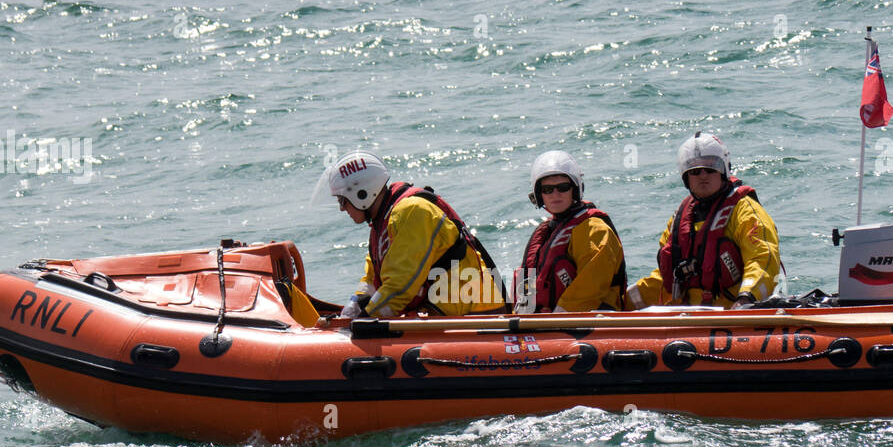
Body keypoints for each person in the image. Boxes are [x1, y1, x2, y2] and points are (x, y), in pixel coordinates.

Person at [329, 151, 506, 318]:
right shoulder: (383, 222)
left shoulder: (411, 212)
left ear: (362, 193)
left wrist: (364, 320)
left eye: (343, 200)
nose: (341, 208)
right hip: (445, 312)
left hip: (476, 315)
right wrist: (356, 303)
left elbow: (399, 288)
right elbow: (372, 279)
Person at [626, 132, 781, 310]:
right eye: (695, 171)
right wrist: (625, 301)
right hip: (690, 316)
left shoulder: (746, 211)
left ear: (723, 170)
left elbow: (763, 259)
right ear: (686, 177)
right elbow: (667, 275)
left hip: (732, 316)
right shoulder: (680, 217)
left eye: (710, 168)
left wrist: (746, 297)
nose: (703, 176)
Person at [517, 151, 626, 313]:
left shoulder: (595, 230)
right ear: (539, 195)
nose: (555, 194)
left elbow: (590, 287)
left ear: (575, 189)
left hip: (591, 321)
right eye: (547, 189)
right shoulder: (545, 233)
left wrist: (555, 318)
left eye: (563, 187)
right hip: (548, 324)